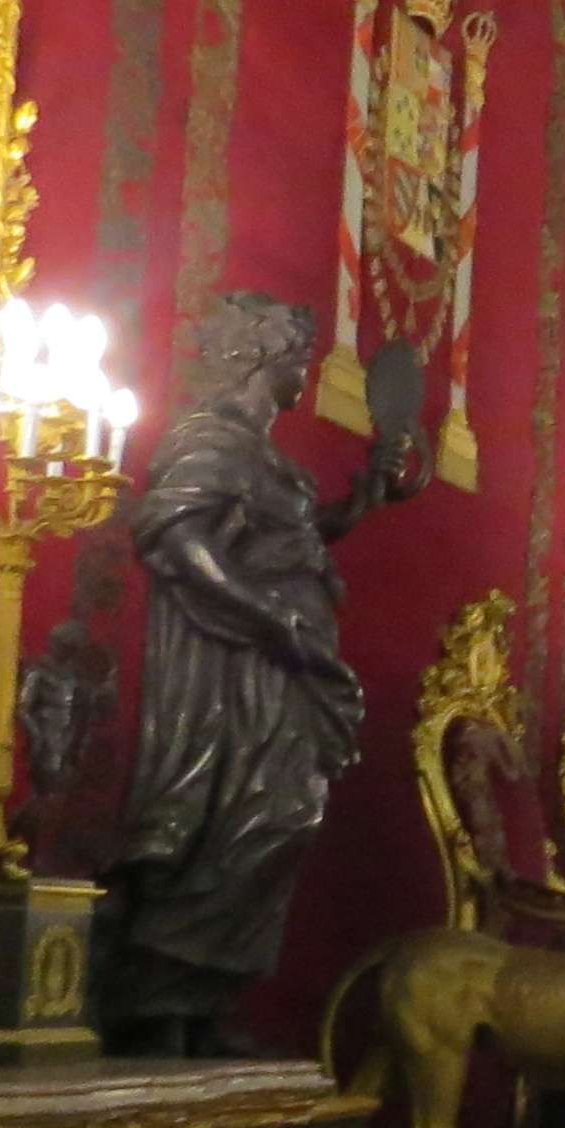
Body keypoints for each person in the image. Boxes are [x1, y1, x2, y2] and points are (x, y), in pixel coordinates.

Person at [99, 292, 409, 1057]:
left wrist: (365, 496)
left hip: (283, 664)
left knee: (284, 818)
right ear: (258, 360)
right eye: (297, 356)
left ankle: (204, 1001)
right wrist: (268, 615)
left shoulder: (264, 455)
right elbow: (178, 537)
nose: (306, 370)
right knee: (233, 818)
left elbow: (296, 537)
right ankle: (159, 1009)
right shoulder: (209, 438)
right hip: (226, 669)